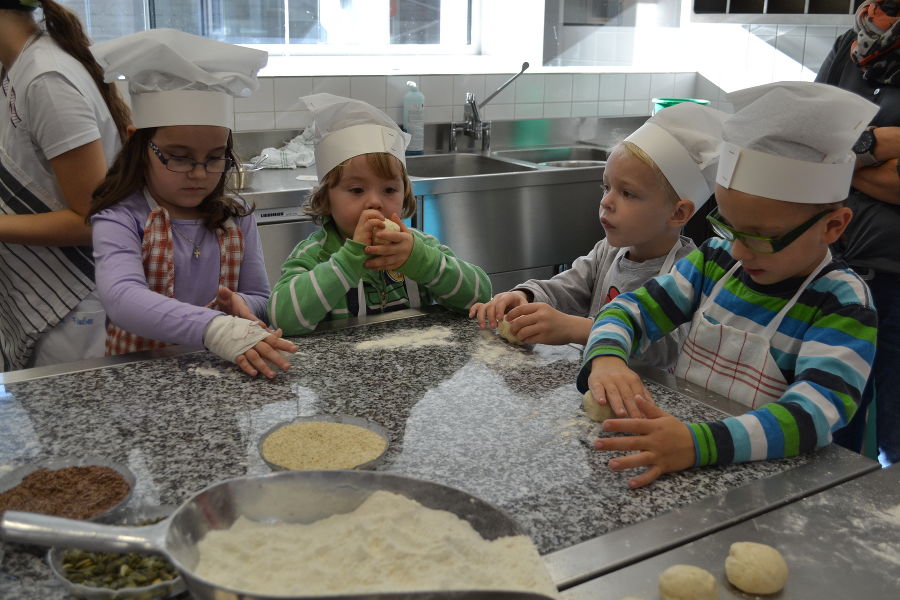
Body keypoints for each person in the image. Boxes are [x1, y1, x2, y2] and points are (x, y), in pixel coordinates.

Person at [578, 82, 879, 488]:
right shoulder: (715, 262)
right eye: (730, 227)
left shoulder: (841, 304)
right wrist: (608, 358)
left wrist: (699, 443)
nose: (738, 250)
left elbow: (812, 416)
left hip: (772, 484)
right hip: (688, 457)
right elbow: (627, 310)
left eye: (759, 236)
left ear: (832, 226)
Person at [88, 29, 296, 379]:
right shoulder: (121, 217)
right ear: (137, 143)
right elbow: (122, 298)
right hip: (141, 381)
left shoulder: (234, 217)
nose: (199, 174)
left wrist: (244, 305)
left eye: (215, 158)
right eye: (179, 157)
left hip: (222, 374)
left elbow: (260, 293)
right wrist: (215, 327)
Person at [469, 102, 726, 370]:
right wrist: (525, 297)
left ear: (678, 213)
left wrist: (578, 329)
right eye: (606, 187)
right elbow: (564, 288)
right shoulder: (608, 252)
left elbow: (667, 350)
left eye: (627, 193)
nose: (607, 202)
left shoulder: (689, 272)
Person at [268, 93, 491, 335]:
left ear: (404, 195)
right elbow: (283, 318)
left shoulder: (419, 247)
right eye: (356, 190)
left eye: (389, 189)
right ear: (326, 200)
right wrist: (347, 264)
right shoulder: (314, 255)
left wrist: (422, 261)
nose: (375, 202)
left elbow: (479, 295)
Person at [0, 0, 131, 371]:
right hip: (56, 305)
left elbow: (91, 220)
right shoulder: (20, 68)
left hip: (75, 307)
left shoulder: (45, 79)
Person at [816, 0, 900, 464]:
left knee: (896, 440)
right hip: (835, 271)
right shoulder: (850, 48)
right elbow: (810, 145)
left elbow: (832, 155)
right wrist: (879, 145)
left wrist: (845, 157)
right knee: (828, 431)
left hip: (896, 282)